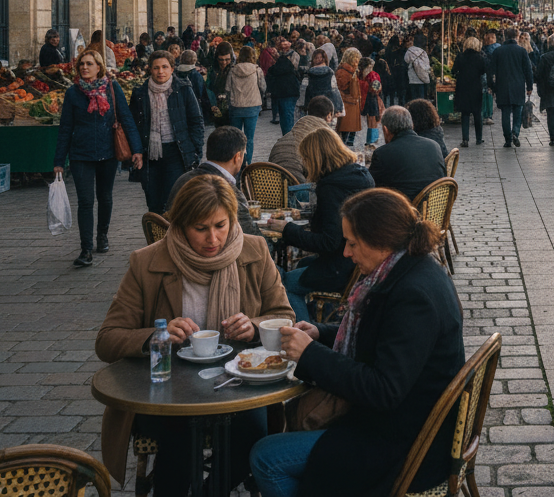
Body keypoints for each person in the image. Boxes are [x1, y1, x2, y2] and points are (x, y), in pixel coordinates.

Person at [249, 188, 465, 497]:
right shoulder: (407, 269)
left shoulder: (413, 295)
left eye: (352, 243)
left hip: (407, 443)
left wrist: (311, 355)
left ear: (381, 241)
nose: (346, 253)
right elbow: (380, 334)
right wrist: (321, 333)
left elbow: (383, 389)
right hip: (401, 421)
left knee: (266, 458)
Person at [96, 175, 293, 495]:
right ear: (180, 224)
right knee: (179, 436)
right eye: (200, 228)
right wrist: (157, 335)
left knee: (252, 434)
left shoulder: (255, 251)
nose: (213, 238)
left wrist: (255, 325)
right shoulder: (147, 262)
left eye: (220, 225)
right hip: (170, 389)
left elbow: (284, 315)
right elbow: (107, 339)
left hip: (239, 384)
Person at [265, 128, 375, 321]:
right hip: (359, 261)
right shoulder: (360, 175)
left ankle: (306, 335)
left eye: (306, 159)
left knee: (284, 285)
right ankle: (323, 317)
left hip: (342, 265)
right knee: (305, 263)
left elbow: (328, 242)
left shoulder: (330, 188)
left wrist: (286, 229)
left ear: (316, 158)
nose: (304, 165)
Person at [53, 48, 143, 267]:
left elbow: (127, 119)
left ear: (99, 67)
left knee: (105, 197)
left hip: (108, 152)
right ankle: (85, 250)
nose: (85, 67)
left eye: (89, 64)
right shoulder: (73, 93)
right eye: (82, 64)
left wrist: (137, 150)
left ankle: (102, 235)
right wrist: (59, 162)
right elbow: (65, 128)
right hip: (81, 154)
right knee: (85, 201)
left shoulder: (113, 88)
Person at [130, 50, 205, 214]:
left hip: (176, 152)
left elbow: (196, 121)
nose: (160, 71)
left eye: (165, 67)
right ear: (150, 69)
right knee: (154, 203)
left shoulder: (183, 89)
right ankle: (156, 237)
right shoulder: (140, 93)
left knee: (174, 200)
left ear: (172, 68)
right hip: (150, 155)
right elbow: (134, 125)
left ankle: (174, 238)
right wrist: (136, 151)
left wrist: (196, 151)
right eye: (156, 68)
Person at [166, 125, 262, 237]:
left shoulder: (183, 179)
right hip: (207, 252)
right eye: (243, 154)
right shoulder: (227, 192)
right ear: (237, 157)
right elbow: (251, 238)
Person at [368, 105, 446, 200]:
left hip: (401, 210)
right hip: (434, 208)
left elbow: (371, 185)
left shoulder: (383, 153)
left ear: (386, 130)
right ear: (412, 125)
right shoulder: (434, 146)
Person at [487, 26, 534, 149]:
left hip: (502, 86)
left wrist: (491, 86)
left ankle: (508, 139)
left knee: (505, 113)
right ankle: (515, 132)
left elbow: (491, 71)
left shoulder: (498, 51)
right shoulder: (522, 51)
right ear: (517, 37)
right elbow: (528, 70)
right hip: (518, 86)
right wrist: (529, 86)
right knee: (517, 112)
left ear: (505, 37)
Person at [451, 36, 487, 147]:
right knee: (477, 114)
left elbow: (453, 71)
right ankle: (479, 138)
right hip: (476, 87)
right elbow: (484, 70)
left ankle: (465, 139)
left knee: (465, 114)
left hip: (462, 87)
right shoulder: (480, 57)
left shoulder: (460, 57)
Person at [268, 37, 302, 135]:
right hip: (292, 92)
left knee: (284, 116)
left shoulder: (274, 69)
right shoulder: (291, 68)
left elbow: (269, 80)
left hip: (280, 93)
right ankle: (289, 136)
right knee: (288, 115)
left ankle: (286, 136)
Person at [335, 47, 363, 148]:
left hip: (351, 105)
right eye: (356, 58)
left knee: (348, 135)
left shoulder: (351, 70)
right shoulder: (345, 71)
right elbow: (339, 87)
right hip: (348, 105)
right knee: (345, 135)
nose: (357, 61)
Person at [205, 41, 235, 126]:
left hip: (232, 110)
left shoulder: (235, 70)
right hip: (217, 108)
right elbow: (208, 88)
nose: (224, 63)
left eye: (227, 59)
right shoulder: (212, 71)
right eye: (221, 60)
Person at [359, 57, 383, 154]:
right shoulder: (373, 74)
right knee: (372, 117)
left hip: (366, 97)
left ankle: (371, 138)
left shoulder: (361, 74)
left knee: (371, 117)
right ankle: (372, 138)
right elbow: (377, 86)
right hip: (372, 97)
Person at [403, 35, 432, 102]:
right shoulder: (422, 51)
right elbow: (427, 61)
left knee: (414, 96)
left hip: (413, 77)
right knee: (421, 94)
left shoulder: (408, 52)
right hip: (422, 75)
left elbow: (406, 60)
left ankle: (415, 107)